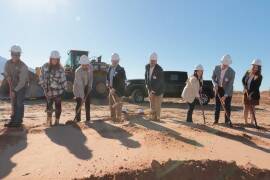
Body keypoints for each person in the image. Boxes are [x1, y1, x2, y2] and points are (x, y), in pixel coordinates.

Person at [39, 51, 67, 126]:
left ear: (58, 60)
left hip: (58, 92)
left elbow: (63, 80)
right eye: (53, 59)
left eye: (56, 59)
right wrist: (44, 88)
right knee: (49, 107)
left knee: (58, 107)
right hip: (48, 92)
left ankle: (57, 121)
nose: (54, 60)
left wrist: (64, 88)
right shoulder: (45, 66)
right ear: (50, 59)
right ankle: (49, 121)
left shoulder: (61, 69)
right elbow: (41, 77)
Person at [3, 45, 29, 128]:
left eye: (17, 54)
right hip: (13, 85)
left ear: (19, 55)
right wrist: (7, 76)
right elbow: (5, 71)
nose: (14, 56)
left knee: (19, 103)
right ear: (11, 54)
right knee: (13, 103)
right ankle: (13, 119)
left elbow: (22, 82)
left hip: (22, 86)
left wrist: (14, 91)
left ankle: (18, 121)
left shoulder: (23, 66)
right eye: (13, 54)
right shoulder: (8, 63)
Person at [212, 54, 235, 127]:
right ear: (221, 62)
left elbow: (230, 85)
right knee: (217, 106)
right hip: (218, 88)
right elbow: (213, 78)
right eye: (223, 64)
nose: (224, 66)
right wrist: (215, 84)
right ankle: (216, 120)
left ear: (228, 64)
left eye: (226, 65)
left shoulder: (232, 72)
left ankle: (227, 121)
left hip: (228, 90)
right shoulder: (216, 68)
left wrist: (225, 95)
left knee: (227, 106)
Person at [107, 53, 126, 123]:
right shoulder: (109, 68)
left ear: (118, 61)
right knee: (112, 105)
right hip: (111, 89)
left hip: (118, 91)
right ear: (111, 61)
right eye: (113, 61)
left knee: (118, 106)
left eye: (115, 61)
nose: (114, 62)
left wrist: (114, 89)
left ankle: (119, 120)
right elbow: (108, 77)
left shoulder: (121, 70)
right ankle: (113, 119)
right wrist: (107, 83)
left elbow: (121, 81)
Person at [242, 59, 263, 125]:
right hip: (246, 93)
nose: (254, 68)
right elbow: (243, 80)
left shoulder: (259, 76)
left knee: (252, 108)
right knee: (246, 107)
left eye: (256, 67)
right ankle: (245, 122)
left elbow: (256, 87)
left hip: (254, 94)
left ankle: (252, 122)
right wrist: (245, 87)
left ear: (259, 68)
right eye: (253, 66)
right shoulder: (248, 72)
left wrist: (250, 95)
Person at [73, 55, 93, 122]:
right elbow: (80, 85)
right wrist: (82, 97)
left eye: (86, 65)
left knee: (87, 103)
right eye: (83, 65)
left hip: (87, 86)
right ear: (81, 64)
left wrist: (90, 86)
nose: (85, 66)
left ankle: (88, 119)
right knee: (79, 103)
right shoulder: (77, 71)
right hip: (78, 88)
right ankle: (78, 119)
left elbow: (91, 78)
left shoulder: (90, 67)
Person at [145, 52, 164, 122]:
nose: (152, 62)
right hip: (150, 88)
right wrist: (147, 86)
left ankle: (157, 118)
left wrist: (152, 91)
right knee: (152, 103)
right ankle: (152, 117)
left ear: (156, 61)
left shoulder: (159, 69)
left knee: (157, 105)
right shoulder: (147, 67)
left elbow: (159, 82)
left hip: (159, 90)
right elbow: (146, 77)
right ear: (149, 60)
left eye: (154, 61)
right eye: (151, 61)